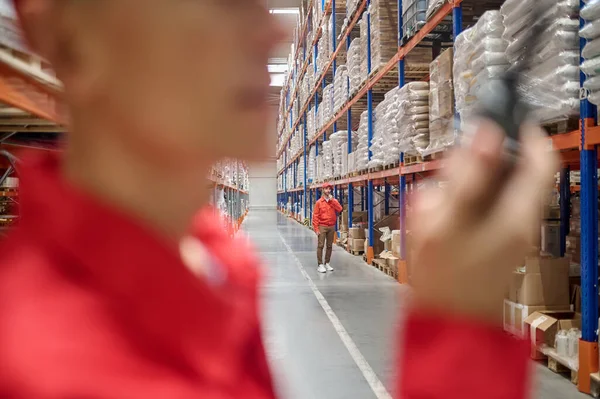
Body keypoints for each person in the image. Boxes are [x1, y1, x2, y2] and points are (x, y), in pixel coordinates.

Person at [1, 1, 557, 398]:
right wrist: (459, 335)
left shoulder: (218, 259)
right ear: (70, 36)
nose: (272, 34)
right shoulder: (44, 370)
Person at [312, 183, 343, 273]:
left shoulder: (333, 201)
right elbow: (315, 216)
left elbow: (340, 209)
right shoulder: (319, 203)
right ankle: (320, 264)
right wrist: (316, 229)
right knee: (321, 245)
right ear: (323, 190)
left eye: (329, 189)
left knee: (329, 246)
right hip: (322, 226)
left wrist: (332, 200)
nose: (328, 191)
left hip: (331, 226)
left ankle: (327, 263)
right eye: (326, 189)